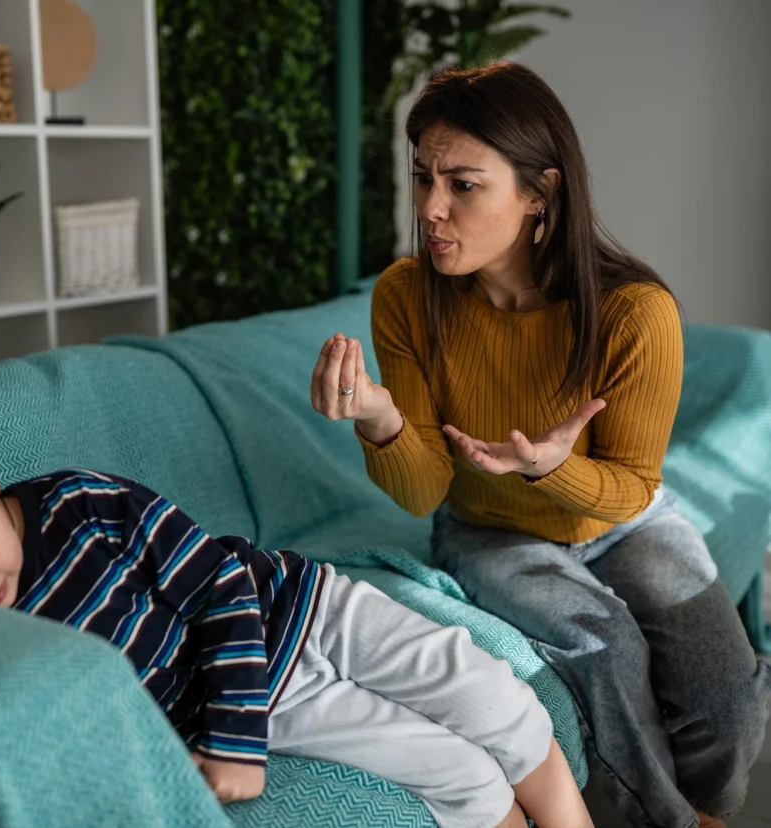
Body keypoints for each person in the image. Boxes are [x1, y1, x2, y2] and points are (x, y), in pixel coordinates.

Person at [311, 61, 770, 828]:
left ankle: (708, 811)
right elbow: (424, 491)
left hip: (625, 521)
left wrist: (555, 469)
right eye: (423, 177)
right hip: (488, 529)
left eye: (462, 185)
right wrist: (381, 418)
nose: (430, 208)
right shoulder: (406, 296)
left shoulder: (634, 312)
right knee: (607, 649)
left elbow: (631, 487)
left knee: (726, 694)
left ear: (539, 193)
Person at [0, 399, 593, 828]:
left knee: (494, 699)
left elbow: (220, 588)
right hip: (286, 704)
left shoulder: (83, 505)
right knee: (458, 775)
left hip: (302, 608)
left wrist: (233, 742)